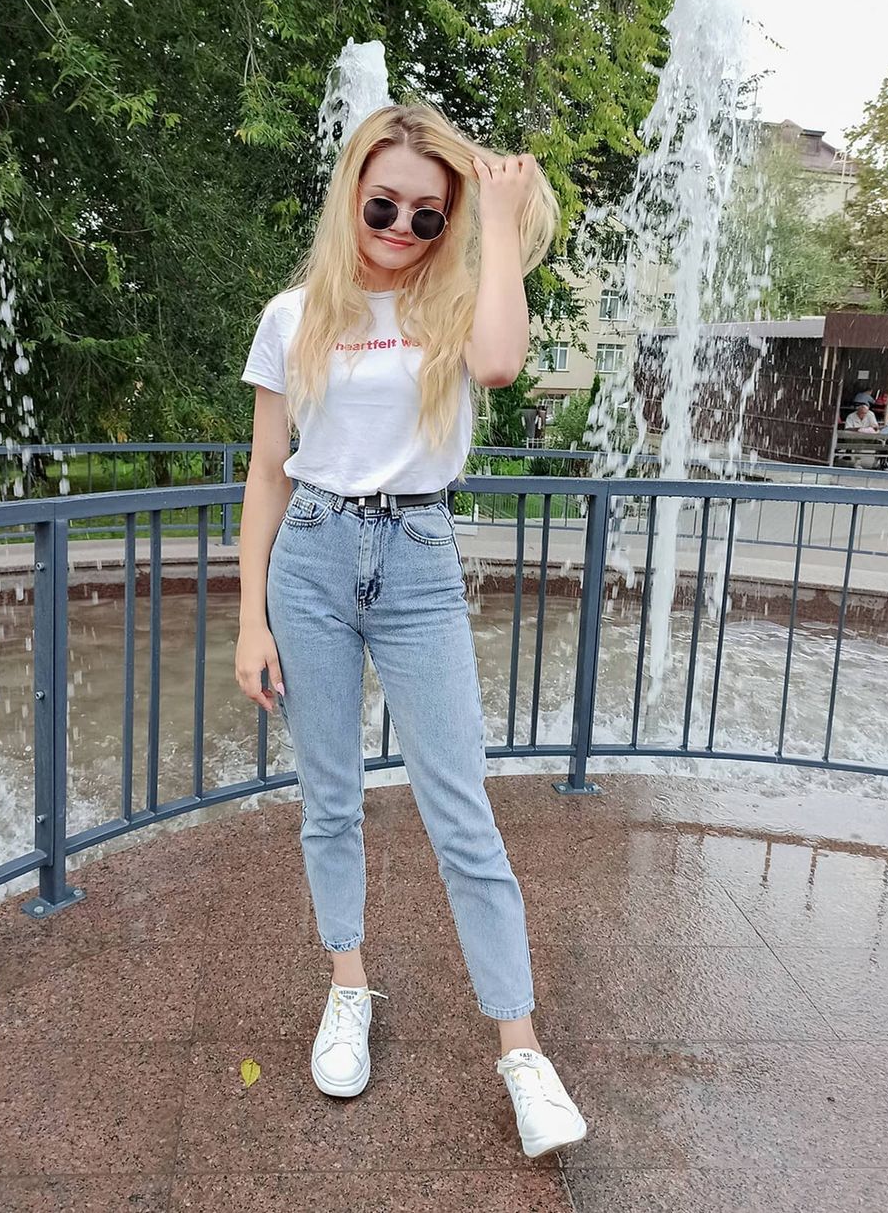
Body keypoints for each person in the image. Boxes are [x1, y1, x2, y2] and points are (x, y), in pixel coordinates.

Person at [235, 102, 587, 1161]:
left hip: (419, 559)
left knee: (460, 809)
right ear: (351, 194)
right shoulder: (293, 315)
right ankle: (348, 986)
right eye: (382, 204)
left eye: (427, 215)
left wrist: (495, 212)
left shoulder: (455, 306)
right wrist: (250, 616)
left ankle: (521, 1051)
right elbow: (265, 473)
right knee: (330, 800)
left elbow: (501, 365)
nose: (400, 227)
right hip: (309, 559)